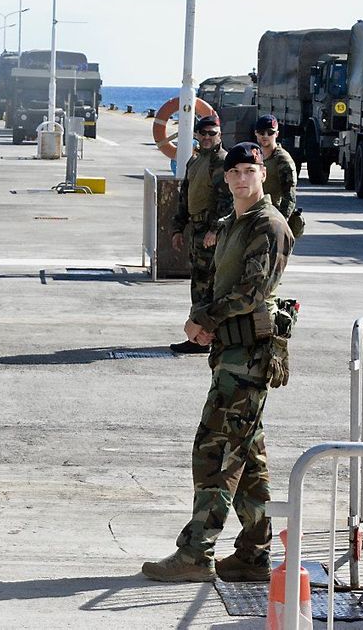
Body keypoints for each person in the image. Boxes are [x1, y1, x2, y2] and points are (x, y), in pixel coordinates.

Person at [142, 142, 295, 583]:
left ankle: (196, 551)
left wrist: (202, 320)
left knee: (215, 452)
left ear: (263, 174)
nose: (243, 178)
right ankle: (253, 552)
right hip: (230, 352)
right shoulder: (236, 222)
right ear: (226, 179)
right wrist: (207, 324)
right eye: (236, 172)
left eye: (251, 170)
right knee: (248, 458)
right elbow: (220, 282)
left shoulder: (267, 225)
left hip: (247, 358)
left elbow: (250, 292)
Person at [169, 115, 233, 355]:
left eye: (212, 133)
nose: (207, 137)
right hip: (196, 232)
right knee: (198, 285)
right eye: (203, 133)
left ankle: (202, 338)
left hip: (210, 234)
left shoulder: (222, 162)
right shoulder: (194, 162)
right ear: (196, 134)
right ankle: (199, 335)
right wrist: (177, 228)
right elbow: (184, 198)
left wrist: (215, 229)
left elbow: (227, 203)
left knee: (207, 287)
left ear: (220, 135)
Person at [254, 115, 296, 221]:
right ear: (256, 134)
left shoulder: (283, 159)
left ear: (276, 134)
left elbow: (289, 195)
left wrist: (282, 220)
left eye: (270, 133)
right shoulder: (254, 156)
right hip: (255, 213)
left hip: (273, 215)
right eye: (262, 133)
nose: (266, 136)